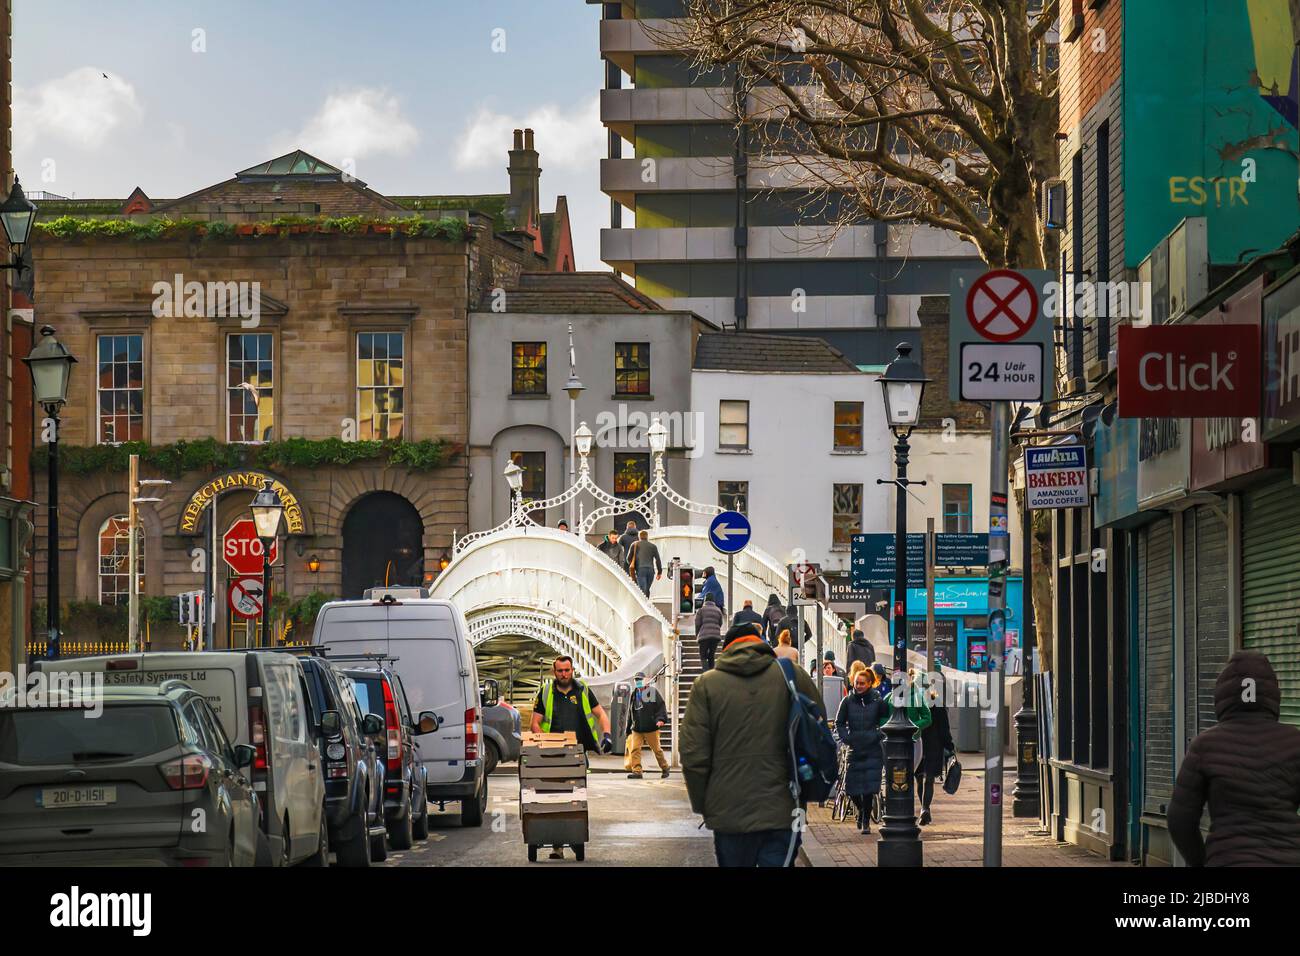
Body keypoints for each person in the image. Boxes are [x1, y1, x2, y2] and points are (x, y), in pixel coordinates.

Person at [681, 622, 824, 867]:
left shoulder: (706, 685)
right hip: (784, 807)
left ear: (726, 649)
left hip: (728, 812)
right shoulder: (790, 675)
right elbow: (818, 728)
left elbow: (694, 754)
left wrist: (705, 804)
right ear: (762, 644)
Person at [1167, 650, 1300, 866]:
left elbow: (1179, 820)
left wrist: (1201, 862)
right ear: (1273, 694)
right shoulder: (1295, 741)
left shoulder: (1205, 745)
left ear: (1222, 694)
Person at [530, 656, 613, 859]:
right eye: (560, 671)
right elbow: (535, 723)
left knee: (576, 797)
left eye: (567, 670)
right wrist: (544, 743)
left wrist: (608, 735)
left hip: (577, 753)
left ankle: (575, 838)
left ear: (572, 670)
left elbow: (600, 714)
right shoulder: (546, 692)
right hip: (552, 754)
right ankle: (557, 846)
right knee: (554, 798)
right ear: (554, 672)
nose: (564, 674)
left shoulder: (582, 690)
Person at [834, 668, 887, 833]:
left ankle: (865, 820)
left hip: (873, 750)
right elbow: (839, 722)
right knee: (852, 788)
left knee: (869, 789)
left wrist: (877, 735)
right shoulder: (847, 701)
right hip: (854, 749)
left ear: (870, 683)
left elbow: (888, 721)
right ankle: (860, 811)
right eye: (856, 682)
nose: (858, 686)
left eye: (862, 683)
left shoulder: (878, 701)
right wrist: (847, 738)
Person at [915, 671, 954, 825]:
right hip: (933, 744)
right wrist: (949, 746)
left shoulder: (911, 700)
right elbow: (944, 727)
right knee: (929, 779)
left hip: (917, 743)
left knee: (919, 778)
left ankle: (924, 809)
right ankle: (925, 807)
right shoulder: (936, 701)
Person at [624, 671, 670, 779]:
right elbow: (631, 712)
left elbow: (660, 707)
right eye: (636, 680)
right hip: (637, 727)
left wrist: (660, 719)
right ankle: (637, 771)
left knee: (657, 750)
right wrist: (628, 728)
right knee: (634, 749)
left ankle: (665, 767)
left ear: (645, 680)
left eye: (639, 680)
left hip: (651, 727)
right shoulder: (634, 694)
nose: (638, 682)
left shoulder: (651, 692)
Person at [626, 529, 663, 597]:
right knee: (646, 590)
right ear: (647, 537)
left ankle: (644, 606)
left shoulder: (634, 544)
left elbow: (628, 559)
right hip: (651, 571)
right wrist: (659, 572)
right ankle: (647, 605)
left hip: (640, 570)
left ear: (639, 537)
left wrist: (634, 565)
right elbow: (658, 559)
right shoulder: (653, 546)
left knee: (642, 591)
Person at [694, 593, 724, 672]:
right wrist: (715, 630)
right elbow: (720, 623)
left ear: (705, 600)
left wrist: (697, 635)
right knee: (711, 655)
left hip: (704, 636)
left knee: (703, 655)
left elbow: (697, 624)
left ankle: (706, 672)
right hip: (715, 636)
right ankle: (711, 673)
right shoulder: (718, 610)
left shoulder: (701, 610)